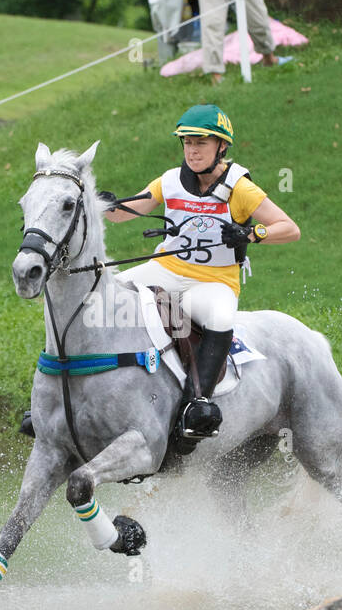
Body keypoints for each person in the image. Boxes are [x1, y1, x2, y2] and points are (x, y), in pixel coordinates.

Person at [106, 105, 299, 447]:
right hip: (165, 269)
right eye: (187, 144)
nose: (192, 151)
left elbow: (290, 229)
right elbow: (124, 215)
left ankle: (199, 403)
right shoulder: (169, 181)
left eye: (200, 143)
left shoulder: (240, 188)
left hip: (214, 281)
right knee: (108, 295)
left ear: (221, 147)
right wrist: (105, 205)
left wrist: (252, 234)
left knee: (221, 318)